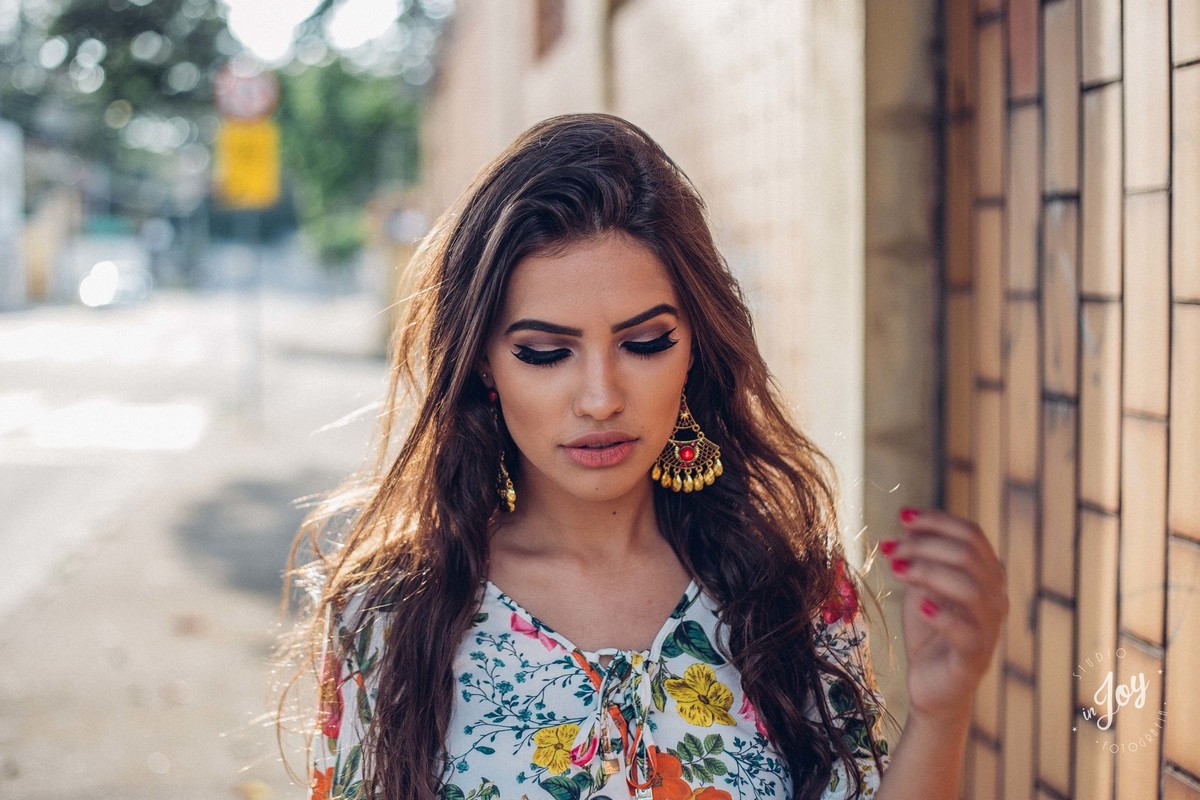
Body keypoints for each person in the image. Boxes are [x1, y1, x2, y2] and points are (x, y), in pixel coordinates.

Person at [287, 113, 1008, 800]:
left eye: (645, 343)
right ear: (483, 365)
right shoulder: (392, 612)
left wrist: (942, 711)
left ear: (694, 347)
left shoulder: (789, 590)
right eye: (545, 353)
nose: (600, 397)